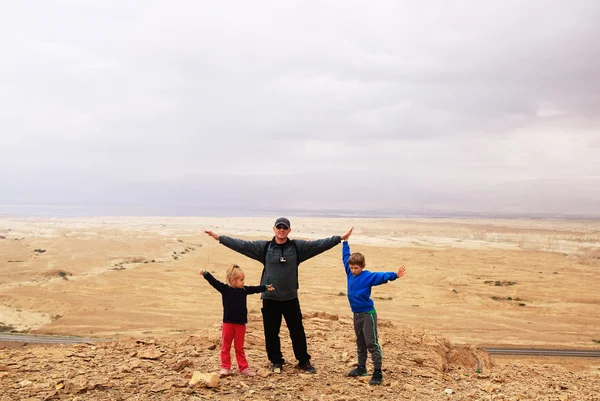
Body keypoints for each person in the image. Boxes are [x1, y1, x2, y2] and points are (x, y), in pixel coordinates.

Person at [205, 217, 353, 374]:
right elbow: (242, 245)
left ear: (289, 230)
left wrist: (339, 239)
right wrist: (220, 238)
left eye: (285, 227)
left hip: (290, 298)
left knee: (297, 331)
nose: (281, 230)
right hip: (270, 299)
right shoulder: (265, 248)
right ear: (274, 229)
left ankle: (303, 361)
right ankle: (276, 361)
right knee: (271, 332)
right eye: (279, 227)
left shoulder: (296, 248)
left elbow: (318, 245)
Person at [341, 228, 406, 385]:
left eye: (356, 268)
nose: (353, 270)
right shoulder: (349, 272)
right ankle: (361, 368)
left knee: (371, 342)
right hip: (356, 314)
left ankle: (377, 372)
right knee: (360, 342)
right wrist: (345, 242)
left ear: (362, 266)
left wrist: (394, 275)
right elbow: (345, 257)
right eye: (352, 267)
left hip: (367, 314)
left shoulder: (367, 276)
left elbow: (381, 276)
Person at [198, 264, 274, 377]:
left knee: (239, 347)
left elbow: (255, 288)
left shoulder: (244, 290)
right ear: (232, 280)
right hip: (228, 323)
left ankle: (243, 368)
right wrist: (206, 274)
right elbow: (214, 282)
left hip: (240, 324)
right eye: (241, 280)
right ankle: (225, 367)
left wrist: (266, 287)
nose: (243, 282)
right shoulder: (225, 289)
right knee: (226, 346)